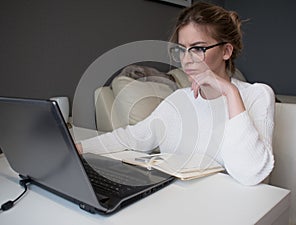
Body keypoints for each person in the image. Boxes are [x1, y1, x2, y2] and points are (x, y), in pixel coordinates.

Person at [77, 1, 275, 185]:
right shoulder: (179, 100)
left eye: (197, 49)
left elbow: (250, 174)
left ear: (226, 51)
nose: (186, 60)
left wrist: (230, 91)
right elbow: (131, 137)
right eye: (181, 49)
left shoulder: (257, 95)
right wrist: (79, 148)